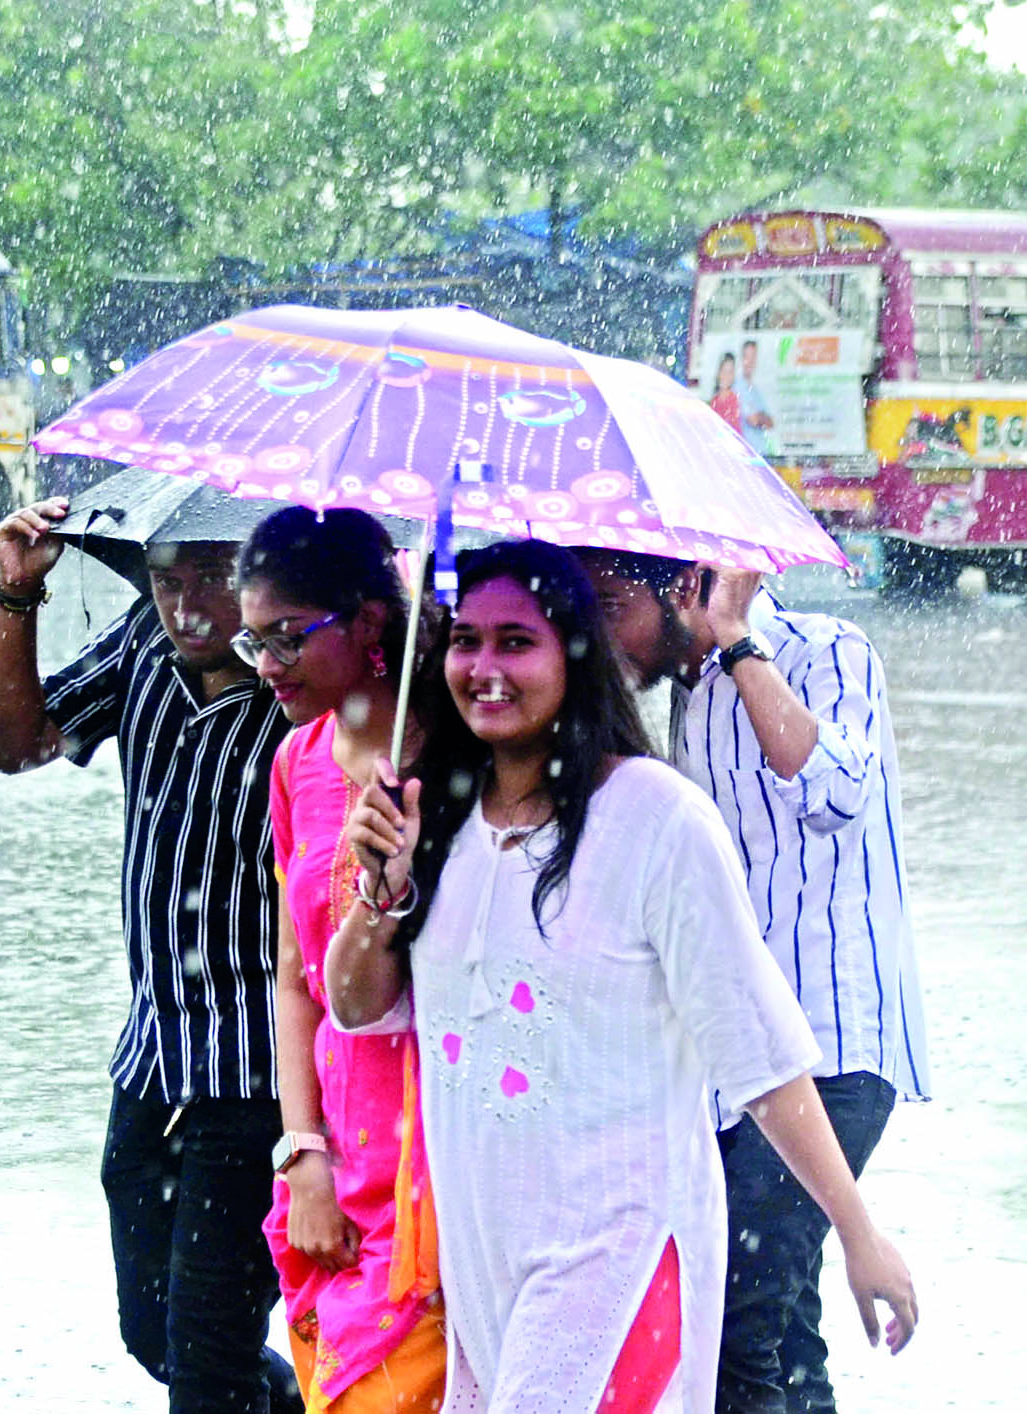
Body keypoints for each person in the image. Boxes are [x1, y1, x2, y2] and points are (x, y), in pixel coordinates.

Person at [321, 540, 918, 1414]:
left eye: (517, 642)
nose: (485, 668)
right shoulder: (432, 815)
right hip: (489, 1260)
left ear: (577, 655)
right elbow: (354, 1006)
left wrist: (859, 1233)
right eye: (467, 640)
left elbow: (759, 1050)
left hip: (622, 1251)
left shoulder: (658, 819)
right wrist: (381, 889)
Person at [578, 549, 931, 1414]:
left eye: (615, 605)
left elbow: (840, 792)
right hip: (745, 1063)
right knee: (782, 1322)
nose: (603, 635)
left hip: (840, 1045)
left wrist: (737, 641)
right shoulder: (686, 701)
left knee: (735, 1313)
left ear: (685, 588)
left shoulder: (828, 649)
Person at [0, 496, 301, 1414]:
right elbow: (16, 746)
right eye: (167, 581)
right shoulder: (143, 651)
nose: (188, 609)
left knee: (205, 1358)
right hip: (153, 1056)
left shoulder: (306, 703)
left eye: (214, 579)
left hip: (258, 1076)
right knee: (155, 1334)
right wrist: (16, 598)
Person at [234, 506, 446, 1413]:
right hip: (338, 1158)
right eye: (254, 645)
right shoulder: (299, 761)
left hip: (439, 1150)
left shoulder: (458, 748)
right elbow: (293, 979)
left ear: (368, 623)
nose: (268, 668)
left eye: (287, 638)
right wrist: (302, 1154)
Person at [738, 339, 777, 456]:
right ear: (741, 359)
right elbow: (753, 420)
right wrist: (761, 417)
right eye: (747, 357)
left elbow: (771, 423)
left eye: (753, 357)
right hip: (747, 454)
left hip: (761, 453)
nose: (750, 362)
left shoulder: (755, 390)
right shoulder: (738, 386)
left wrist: (760, 418)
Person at [709, 351, 743, 433]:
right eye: (723, 371)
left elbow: (732, 429)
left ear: (733, 375)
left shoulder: (733, 400)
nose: (726, 376)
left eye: (730, 372)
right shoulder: (714, 400)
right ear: (718, 373)